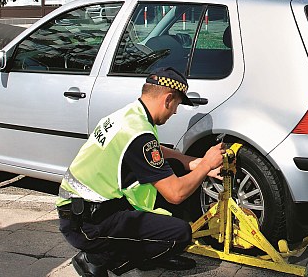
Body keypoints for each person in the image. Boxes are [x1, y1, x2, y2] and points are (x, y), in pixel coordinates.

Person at [57, 67, 224, 277]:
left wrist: (191, 162)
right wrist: (206, 165)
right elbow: (176, 194)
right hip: (86, 224)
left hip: (84, 209)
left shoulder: (131, 116)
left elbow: (154, 151)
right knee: (180, 234)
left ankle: (155, 252)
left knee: (176, 168)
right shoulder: (138, 132)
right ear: (168, 99)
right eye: (177, 105)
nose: (175, 112)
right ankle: (95, 259)